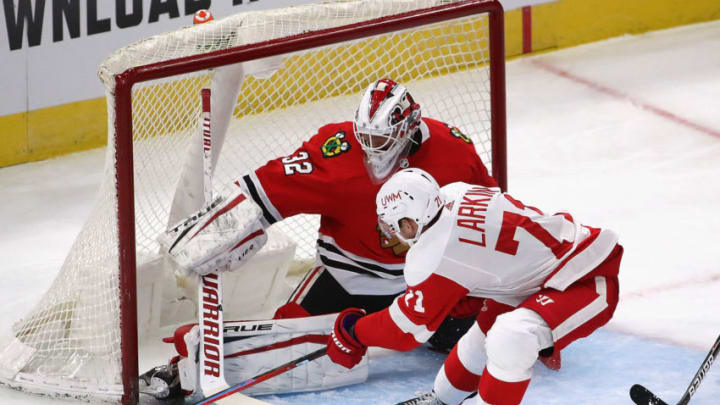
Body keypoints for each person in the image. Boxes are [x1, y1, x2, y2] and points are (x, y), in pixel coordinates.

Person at [141, 79, 499, 398]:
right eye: (367, 139)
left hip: (430, 281)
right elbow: (268, 188)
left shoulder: (456, 150)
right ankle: (183, 371)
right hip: (348, 279)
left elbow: (488, 217)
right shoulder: (338, 151)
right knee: (283, 344)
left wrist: (485, 286)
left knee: (483, 339)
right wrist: (218, 231)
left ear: (409, 128)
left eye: (382, 140)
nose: (373, 150)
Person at [326, 168, 623, 405]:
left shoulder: (432, 255)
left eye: (393, 225)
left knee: (509, 337)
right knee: (479, 340)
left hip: (583, 279)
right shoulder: (456, 191)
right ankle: (443, 400)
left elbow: (404, 332)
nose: (391, 234)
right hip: (537, 277)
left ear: (411, 222)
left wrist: (354, 332)